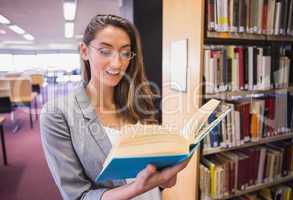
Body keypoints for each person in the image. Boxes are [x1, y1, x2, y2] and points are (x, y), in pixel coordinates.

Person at [40, 14, 189, 200]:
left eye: (125, 53)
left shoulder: (139, 101)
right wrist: (137, 188)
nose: (117, 63)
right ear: (84, 51)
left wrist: (166, 177)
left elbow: (159, 179)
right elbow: (77, 196)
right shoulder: (57, 114)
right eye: (105, 51)